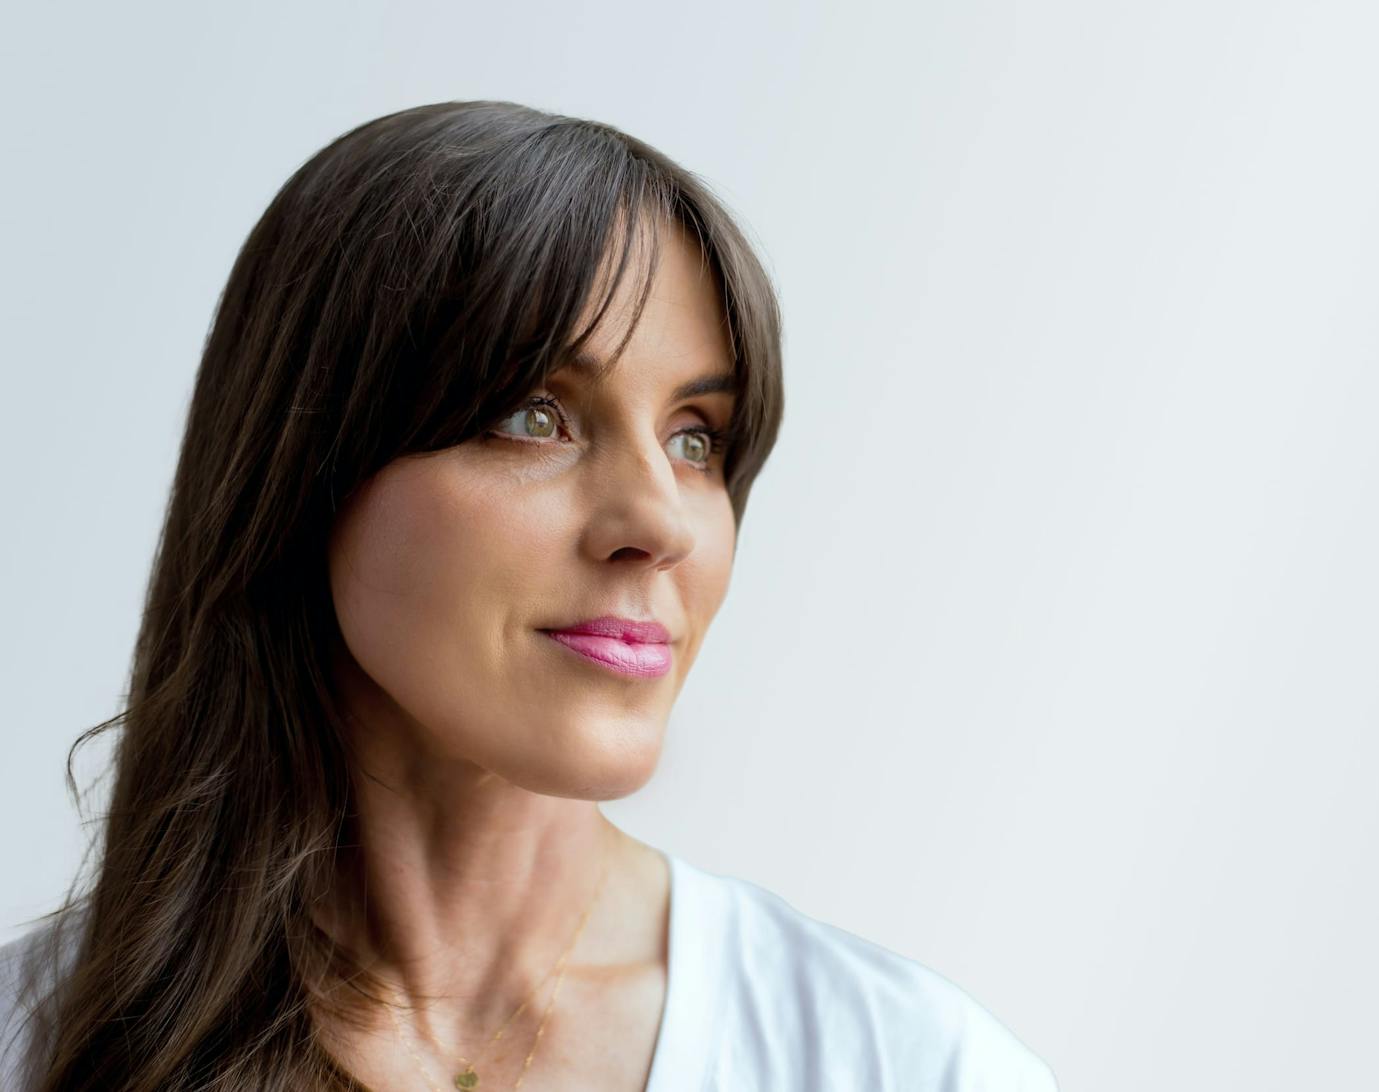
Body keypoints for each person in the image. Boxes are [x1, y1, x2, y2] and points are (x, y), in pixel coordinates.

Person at [0, 100, 1057, 1091]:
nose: (660, 522)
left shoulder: (906, 1065)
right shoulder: (33, 1042)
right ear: (306, 472)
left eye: (697, 440)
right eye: (533, 414)